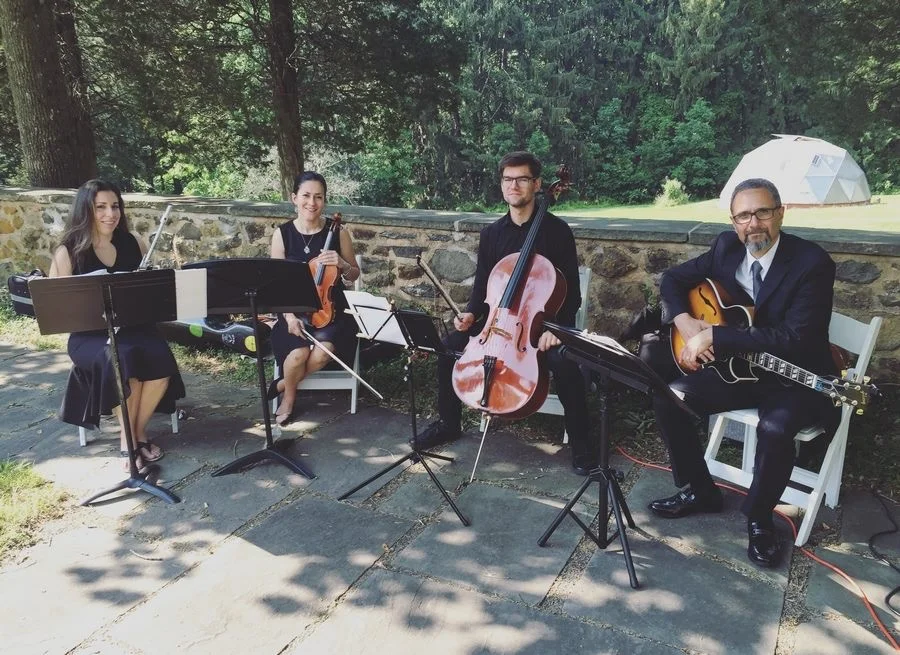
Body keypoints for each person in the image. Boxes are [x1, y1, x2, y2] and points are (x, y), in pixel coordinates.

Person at [639, 177, 840, 567]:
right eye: (744, 215)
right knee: (669, 397)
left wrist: (717, 334)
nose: (754, 224)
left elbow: (795, 338)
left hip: (794, 377)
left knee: (775, 428)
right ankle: (701, 490)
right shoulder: (727, 247)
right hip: (738, 371)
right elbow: (673, 279)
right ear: (734, 222)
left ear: (781, 213)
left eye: (763, 212)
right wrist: (683, 322)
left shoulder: (812, 263)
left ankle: (761, 518)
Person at [413, 151, 598, 475]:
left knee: (566, 365)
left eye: (522, 179)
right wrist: (470, 316)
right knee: (449, 347)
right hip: (497, 324)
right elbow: (484, 290)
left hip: (545, 325)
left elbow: (572, 296)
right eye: (508, 179)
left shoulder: (557, 232)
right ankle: (449, 423)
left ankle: (582, 445)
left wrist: (558, 330)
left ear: (537, 184)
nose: (514, 185)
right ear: (502, 185)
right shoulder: (492, 234)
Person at [50, 179, 185, 469]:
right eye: (101, 207)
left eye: (115, 206)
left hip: (134, 327)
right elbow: (56, 310)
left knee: (161, 361)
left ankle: (136, 431)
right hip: (90, 336)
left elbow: (149, 294)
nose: (110, 213)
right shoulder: (68, 252)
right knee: (124, 359)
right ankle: (129, 440)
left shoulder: (133, 242)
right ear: (86, 210)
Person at [268, 171, 360, 426]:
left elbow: (353, 274)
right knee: (297, 354)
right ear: (294, 198)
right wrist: (288, 316)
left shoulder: (338, 232)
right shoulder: (282, 234)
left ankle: (283, 387)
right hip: (292, 309)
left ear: (324, 201)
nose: (312, 202)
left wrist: (341, 263)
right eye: (306, 196)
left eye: (318, 197)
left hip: (330, 311)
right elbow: (277, 284)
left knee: (323, 352)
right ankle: (289, 398)